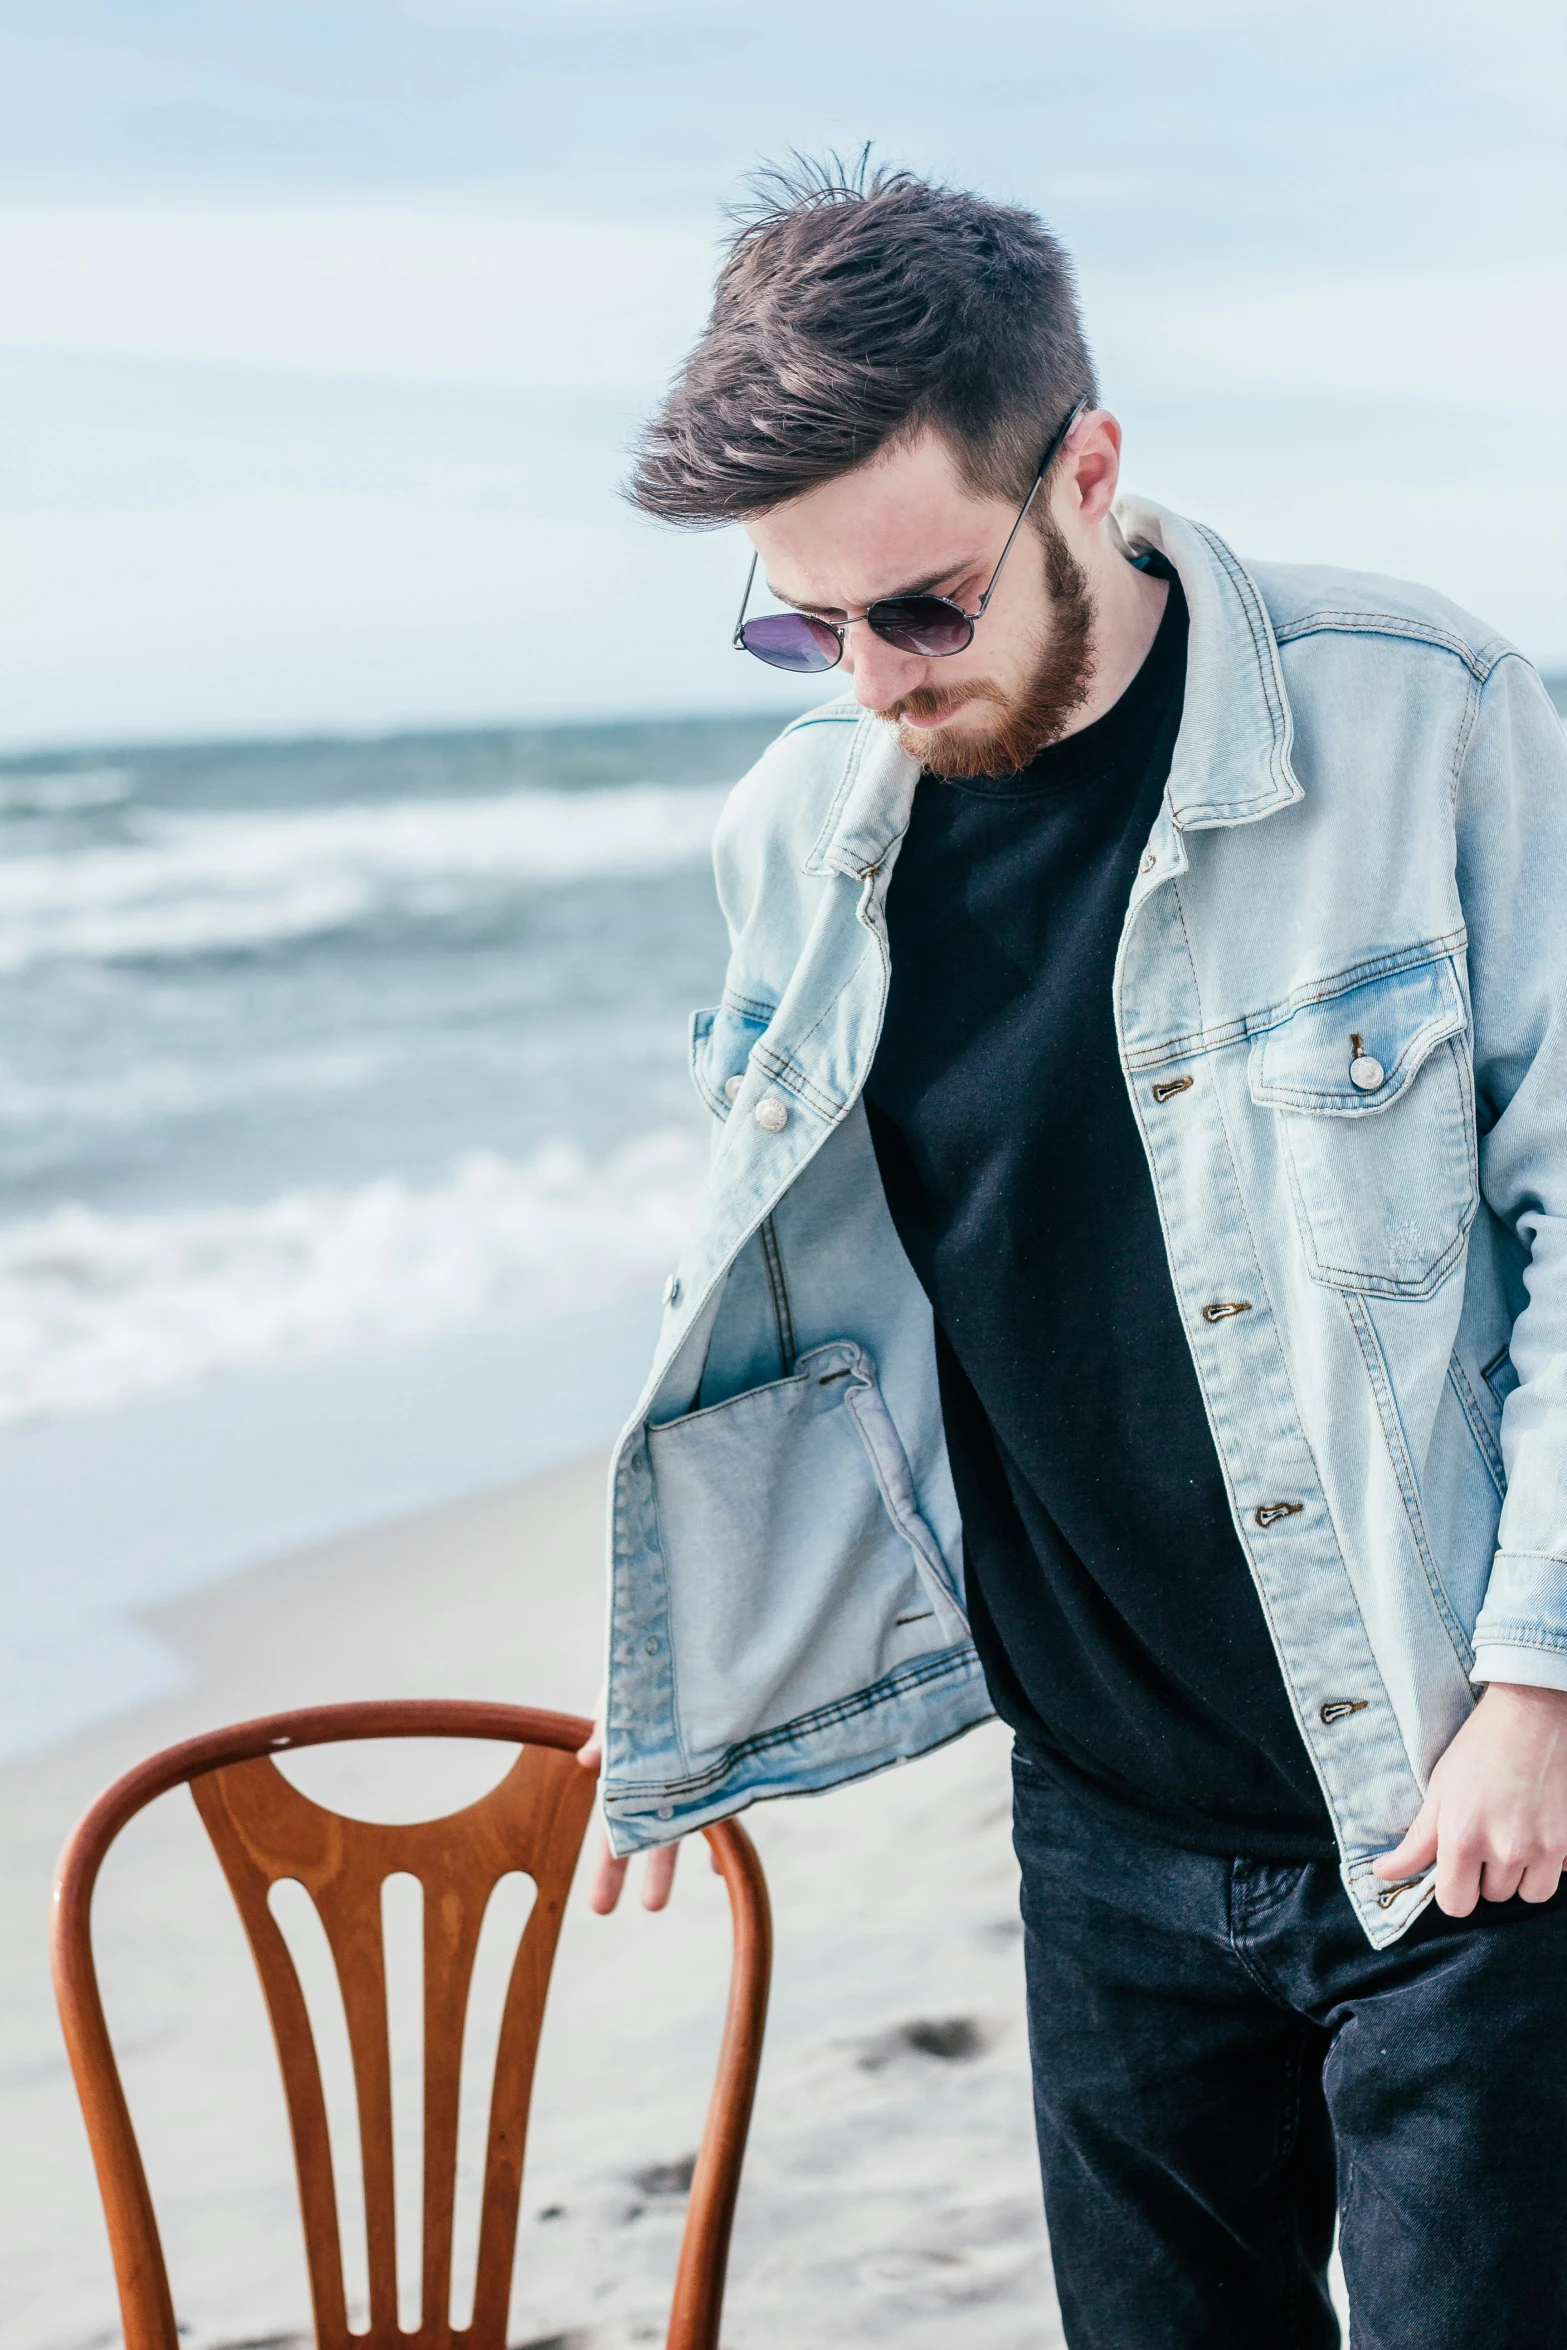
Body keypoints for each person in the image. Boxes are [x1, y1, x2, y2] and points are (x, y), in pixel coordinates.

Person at [575, 159, 1567, 2347]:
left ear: (1088, 471)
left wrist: (1542, 1682)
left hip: (1457, 1791)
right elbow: (769, 1292)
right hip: (1102, 1817)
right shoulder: (795, 841)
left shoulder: (1428, 717)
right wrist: (686, 1682)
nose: (865, 682)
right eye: (796, 625)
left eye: (918, 607)